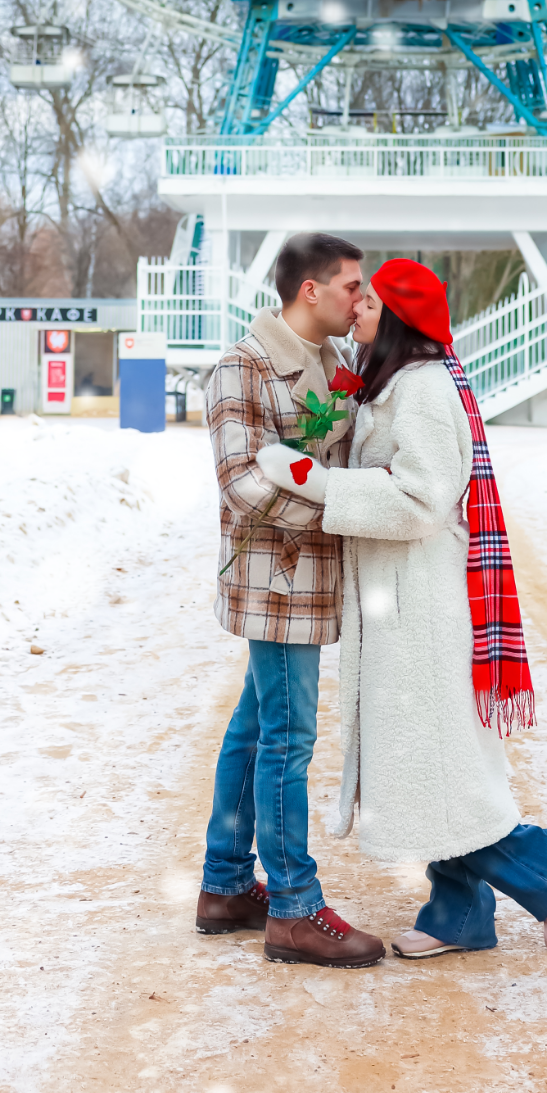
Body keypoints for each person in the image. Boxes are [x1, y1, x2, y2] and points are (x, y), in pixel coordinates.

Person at [259, 257, 547, 961]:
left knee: (436, 766)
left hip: (424, 609)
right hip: (400, 603)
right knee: (431, 758)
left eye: (372, 305)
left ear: (402, 321)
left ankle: (546, 863)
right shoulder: (395, 384)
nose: (359, 313)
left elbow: (420, 500)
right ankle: (458, 912)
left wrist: (319, 485)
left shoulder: (424, 389)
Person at [196, 231, 385, 969]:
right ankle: (295, 910)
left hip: (305, 579)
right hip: (275, 583)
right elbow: (242, 483)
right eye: (350, 287)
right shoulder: (240, 367)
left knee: (254, 727)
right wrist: (339, 511)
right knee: (287, 740)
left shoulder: (335, 365)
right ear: (309, 291)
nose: (359, 301)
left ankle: (223, 884)